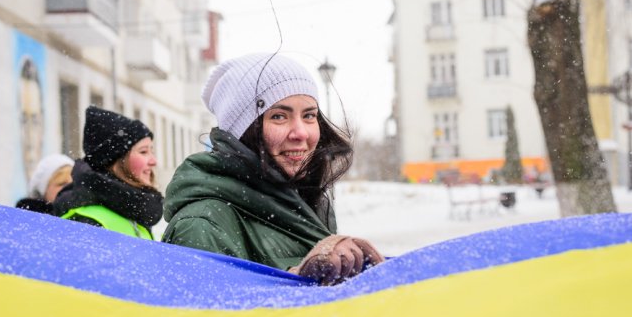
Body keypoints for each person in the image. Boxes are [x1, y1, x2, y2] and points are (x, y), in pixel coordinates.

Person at [161, 53, 384, 285]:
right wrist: (296, 280)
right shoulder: (202, 225)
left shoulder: (310, 202)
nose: (301, 133)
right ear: (243, 132)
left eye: (309, 115)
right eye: (279, 116)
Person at [52, 106, 163, 240]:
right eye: (143, 152)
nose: (154, 161)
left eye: (152, 151)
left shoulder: (133, 212)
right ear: (115, 161)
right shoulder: (86, 222)